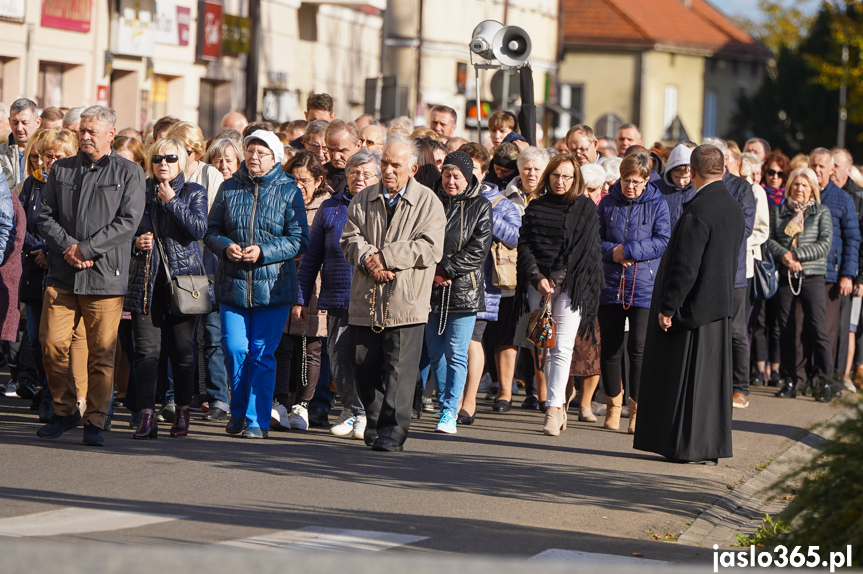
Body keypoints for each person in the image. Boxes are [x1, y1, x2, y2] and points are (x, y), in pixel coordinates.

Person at [36, 105, 145, 447]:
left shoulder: (129, 172)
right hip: (63, 273)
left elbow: (128, 222)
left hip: (104, 276)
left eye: (91, 132)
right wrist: (70, 247)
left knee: (101, 354)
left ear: (111, 135)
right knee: (51, 343)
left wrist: (87, 249)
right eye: (81, 130)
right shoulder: (62, 169)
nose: (84, 136)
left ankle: (95, 420)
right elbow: (44, 215)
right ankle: (65, 410)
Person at [634, 144, 745, 465]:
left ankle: (686, 447)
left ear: (693, 172)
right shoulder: (732, 206)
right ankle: (708, 448)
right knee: (711, 385)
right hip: (720, 305)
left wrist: (668, 307)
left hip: (693, 308)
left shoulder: (699, 209)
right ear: (723, 170)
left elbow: (684, 266)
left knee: (688, 381)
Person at [340, 134, 446, 452]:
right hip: (367, 296)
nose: (388, 170)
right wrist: (369, 259)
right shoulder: (364, 198)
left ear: (412, 168)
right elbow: (349, 238)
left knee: (400, 369)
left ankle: (393, 431)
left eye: (395, 165)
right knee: (363, 363)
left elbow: (430, 247)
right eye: (384, 162)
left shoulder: (428, 201)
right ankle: (374, 422)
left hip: (406, 299)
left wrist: (387, 258)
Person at [204, 129, 309, 438]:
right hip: (232, 285)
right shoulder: (228, 187)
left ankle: (255, 420)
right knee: (235, 349)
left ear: (274, 158)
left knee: (261, 354)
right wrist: (225, 246)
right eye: (250, 151)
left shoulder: (289, 190)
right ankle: (236, 411)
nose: (253, 157)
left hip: (272, 288)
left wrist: (264, 252)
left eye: (261, 153)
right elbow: (211, 230)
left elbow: (299, 240)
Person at [126, 137, 209, 439]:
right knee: (146, 352)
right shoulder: (140, 192)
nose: (163, 163)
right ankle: (147, 416)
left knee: (182, 352)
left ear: (182, 161)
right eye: (158, 158)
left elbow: (198, 229)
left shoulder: (194, 192)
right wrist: (136, 242)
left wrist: (172, 200)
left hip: (183, 284)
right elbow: (126, 228)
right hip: (146, 282)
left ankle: (183, 412)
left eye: (170, 158)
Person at [517, 153, 602, 436]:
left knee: (561, 348)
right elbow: (525, 245)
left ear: (575, 179)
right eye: (556, 175)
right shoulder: (536, 207)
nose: (561, 181)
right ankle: (557, 405)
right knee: (545, 345)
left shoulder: (585, 207)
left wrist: (554, 279)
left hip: (572, 286)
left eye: (567, 176)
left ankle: (554, 407)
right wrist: (537, 278)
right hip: (537, 284)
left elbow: (583, 251)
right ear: (548, 176)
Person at [298, 149, 380, 439]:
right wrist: (301, 297)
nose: (359, 178)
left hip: (373, 300)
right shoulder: (330, 208)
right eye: (354, 172)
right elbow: (312, 257)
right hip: (337, 296)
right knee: (339, 357)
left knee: (367, 360)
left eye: (366, 173)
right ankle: (352, 410)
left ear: (378, 178)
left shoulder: (383, 207)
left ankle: (366, 413)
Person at [597, 152, 670, 432]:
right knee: (611, 347)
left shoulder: (657, 203)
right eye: (627, 181)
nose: (631, 187)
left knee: (638, 348)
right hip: (611, 281)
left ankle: (636, 410)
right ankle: (613, 407)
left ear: (646, 180)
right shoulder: (607, 202)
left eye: (637, 182)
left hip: (643, 284)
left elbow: (662, 240)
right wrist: (612, 252)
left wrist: (627, 250)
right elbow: (594, 238)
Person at [425, 151, 492, 434]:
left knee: (456, 352)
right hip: (430, 288)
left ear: (468, 178)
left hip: (463, 290)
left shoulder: (480, 205)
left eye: (457, 176)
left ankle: (451, 411)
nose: (451, 181)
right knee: (435, 352)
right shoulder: (430, 200)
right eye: (447, 175)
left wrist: (447, 269)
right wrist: (432, 270)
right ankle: (443, 405)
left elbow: (479, 248)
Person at [457, 143, 520, 421]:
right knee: (450, 344)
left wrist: (485, 212)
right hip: (450, 280)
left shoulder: (501, 203)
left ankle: (468, 402)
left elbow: (516, 238)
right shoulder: (450, 196)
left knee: (472, 340)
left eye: (472, 169)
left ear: (484, 173)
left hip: (482, 285)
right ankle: (451, 399)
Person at [19, 129, 79, 421]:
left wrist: (52, 251)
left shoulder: (75, 185)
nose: (52, 161)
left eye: (59, 156)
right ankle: (45, 387)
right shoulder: (31, 184)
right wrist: (37, 250)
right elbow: (21, 225)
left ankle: (53, 395)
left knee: (55, 339)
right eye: (48, 156)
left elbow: (74, 227)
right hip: (34, 268)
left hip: (62, 267)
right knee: (34, 338)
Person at [272, 151, 332, 431]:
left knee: (311, 345)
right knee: (282, 344)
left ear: (319, 179)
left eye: (304, 180)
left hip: (315, 281)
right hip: (281, 279)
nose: (298, 186)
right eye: (292, 179)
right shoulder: (281, 199)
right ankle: (279, 402)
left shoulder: (327, 206)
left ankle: (303, 405)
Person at [766, 168, 835, 401]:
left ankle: (825, 381)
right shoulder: (779, 211)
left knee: (818, 328)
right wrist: (784, 256)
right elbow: (770, 240)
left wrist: (797, 255)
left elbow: (825, 243)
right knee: (785, 329)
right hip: (786, 275)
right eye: (796, 184)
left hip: (812, 275)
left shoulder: (821, 212)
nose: (799, 189)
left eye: (805, 185)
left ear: (812, 189)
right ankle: (791, 379)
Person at [807, 148, 860, 392]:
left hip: (831, 274)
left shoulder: (842, 199)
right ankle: (804, 378)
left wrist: (848, 274)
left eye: (822, 166)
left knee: (827, 331)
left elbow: (852, 239)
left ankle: (826, 380)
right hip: (803, 273)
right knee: (802, 328)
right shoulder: (802, 192)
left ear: (831, 170)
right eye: (814, 165)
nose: (817, 170)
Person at [0, 98, 41, 187]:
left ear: (37, 122)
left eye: (24, 123)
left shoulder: (47, 154)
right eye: (15, 122)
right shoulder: (1, 153)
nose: (19, 128)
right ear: (9, 122)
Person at [656, 144, 696, 228]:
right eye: (677, 177)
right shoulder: (657, 188)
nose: (681, 182)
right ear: (670, 172)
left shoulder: (699, 189)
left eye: (685, 177)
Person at [323, 120, 361, 193]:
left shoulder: (368, 177)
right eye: (331, 150)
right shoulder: (317, 175)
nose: (335, 157)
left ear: (358, 145)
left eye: (342, 151)